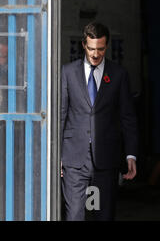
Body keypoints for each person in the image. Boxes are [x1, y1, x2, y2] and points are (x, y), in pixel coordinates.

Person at [61, 22, 138, 221]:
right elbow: (61, 114)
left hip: (106, 159)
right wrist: (57, 155)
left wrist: (131, 154)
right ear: (84, 45)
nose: (96, 54)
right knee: (75, 215)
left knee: (104, 216)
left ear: (107, 46)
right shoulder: (67, 73)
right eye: (92, 49)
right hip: (74, 158)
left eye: (101, 49)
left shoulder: (119, 75)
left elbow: (127, 117)